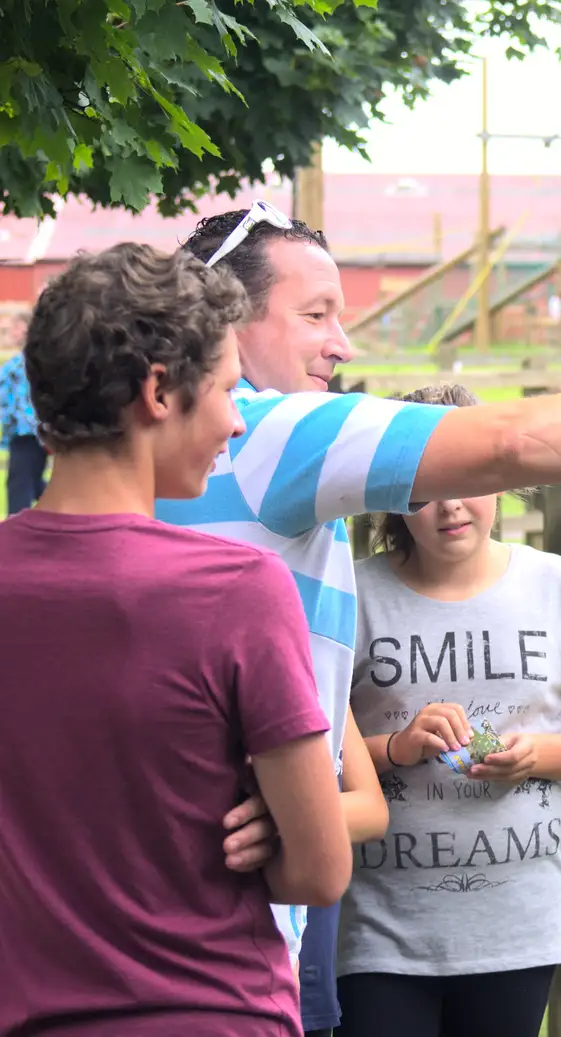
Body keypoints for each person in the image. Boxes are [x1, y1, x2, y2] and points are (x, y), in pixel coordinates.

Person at [153, 199, 561, 1032]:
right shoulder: (267, 436)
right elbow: (511, 440)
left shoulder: (164, 453)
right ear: (228, 320)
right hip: (246, 909)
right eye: (315, 315)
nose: (341, 343)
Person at [0, 243, 352, 1035]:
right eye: (229, 389)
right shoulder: (238, 590)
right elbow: (321, 868)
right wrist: (276, 823)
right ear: (160, 390)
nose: (235, 418)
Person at [332, 383, 561, 1037]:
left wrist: (538, 754)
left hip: (515, 931)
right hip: (380, 934)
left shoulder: (554, 585)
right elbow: (307, 752)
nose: (450, 505)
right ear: (394, 494)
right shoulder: (355, 594)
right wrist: (398, 745)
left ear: (500, 478)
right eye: (426, 485)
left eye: (469, 478)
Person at [1, 345, 49, 512]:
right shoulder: (29, 363)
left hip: (27, 431)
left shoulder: (21, 364)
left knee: (20, 484)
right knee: (31, 481)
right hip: (38, 431)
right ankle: (72, 508)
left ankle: (13, 531)